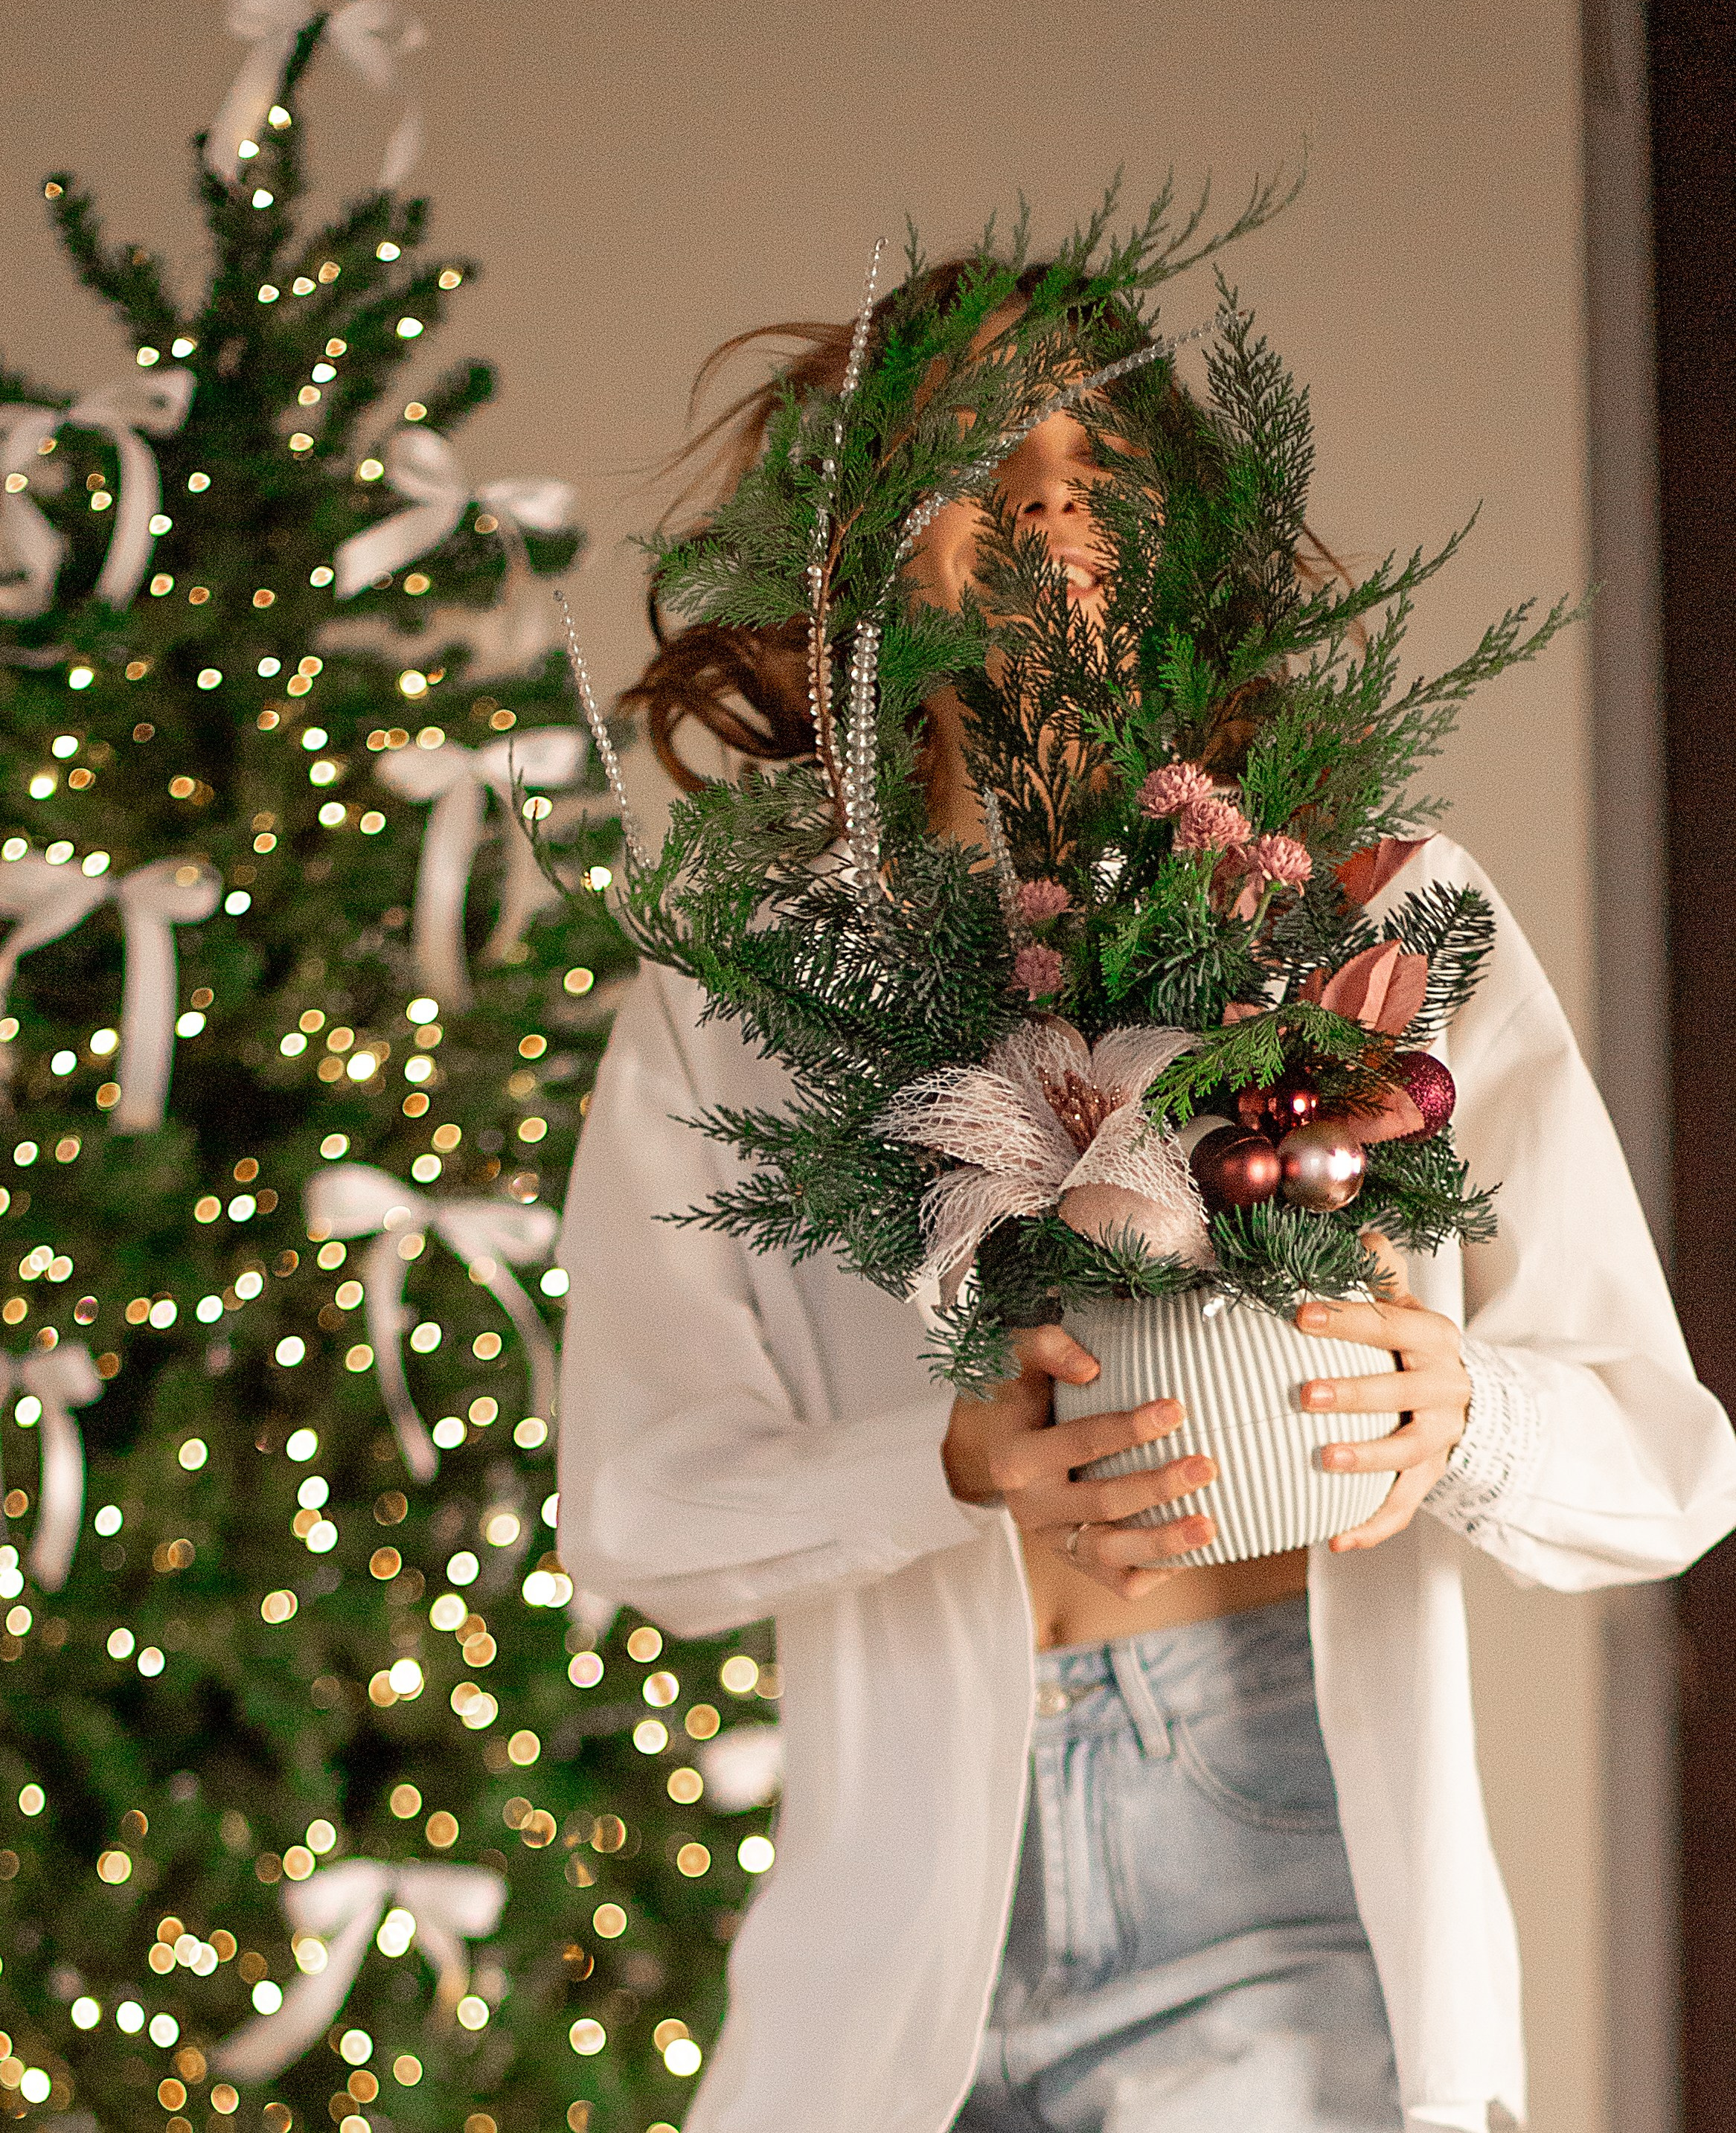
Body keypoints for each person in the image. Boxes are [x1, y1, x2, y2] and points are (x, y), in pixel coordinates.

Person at [556, 265, 1736, 2133]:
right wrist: (933, 1466)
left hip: (1276, 1871)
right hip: (886, 1938)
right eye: (977, 453)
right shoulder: (735, 998)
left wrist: (1468, 1419)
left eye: (1097, 448)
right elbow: (633, 1504)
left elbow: (1675, 1464)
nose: (1045, 491)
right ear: (859, 548)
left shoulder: (1380, 912)